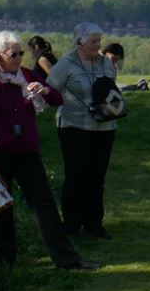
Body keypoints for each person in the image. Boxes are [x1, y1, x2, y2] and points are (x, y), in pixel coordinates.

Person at [0, 31, 98, 273]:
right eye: (12, 54)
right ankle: (6, 262)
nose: (18, 58)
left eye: (20, 53)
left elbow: (57, 99)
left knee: (44, 204)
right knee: (1, 206)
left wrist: (45, 91)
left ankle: (67, 259)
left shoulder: (26, 75)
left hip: (27, 150)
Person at [47, 22, 118, 239]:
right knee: (76, 175)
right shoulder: (66, 64)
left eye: (99, 40)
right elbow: (50, 91)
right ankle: (71, 223)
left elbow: (111, 86)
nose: (98, 45)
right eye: (93, 41)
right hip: (74, 127)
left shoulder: (105, 63)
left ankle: (94, 223)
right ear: (80, 42)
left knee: (97, 176)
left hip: (105, 125)